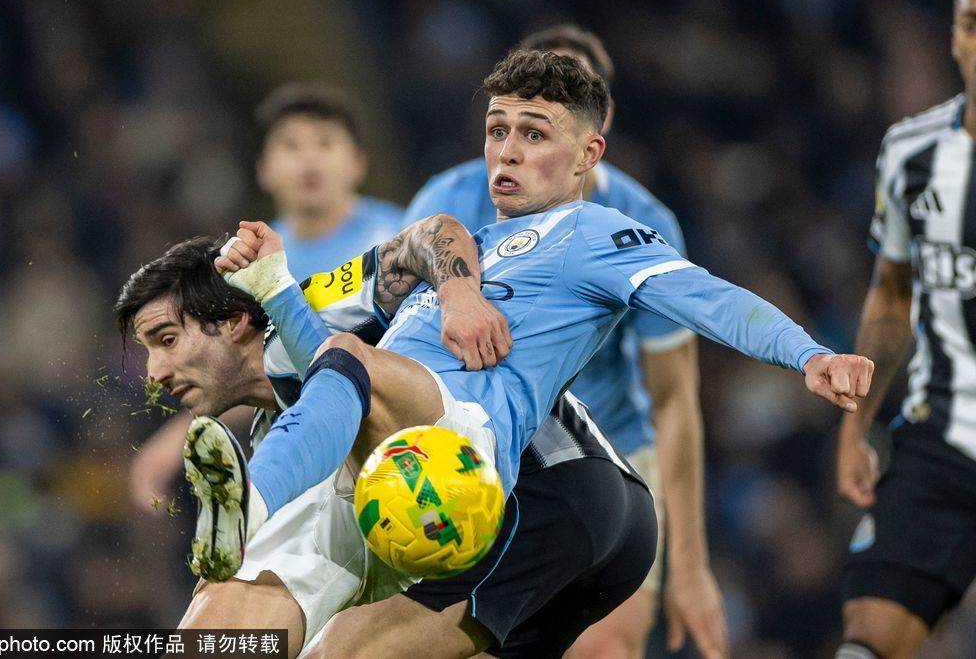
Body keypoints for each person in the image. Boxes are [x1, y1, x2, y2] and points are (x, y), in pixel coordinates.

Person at [194, 49, 872, 653]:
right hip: (368, 463)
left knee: (350, 359)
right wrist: (276, 286)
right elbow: (322, 372)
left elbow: (706, 297)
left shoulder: (592, 234)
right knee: (243, 632)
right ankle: (251, 513)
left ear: (588, 155)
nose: (508, 151)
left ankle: (249, 499)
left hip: (459, 447)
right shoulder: (465, 248)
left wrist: (809, 354)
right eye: (498, 131)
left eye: (534, 134)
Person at [117, 222, 655, 657]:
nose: (154, 372)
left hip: (545, 491)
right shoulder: (281, 432)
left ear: (234, 322)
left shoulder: (315, 308)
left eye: (167, 340)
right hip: (577, 518)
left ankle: (252, 504)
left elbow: (438, 231)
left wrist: (459, 295)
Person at [404, 24, 724, 659]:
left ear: (598, 125)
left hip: (612, 458)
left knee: (603, 650)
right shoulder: (446, 202)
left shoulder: (643, 226)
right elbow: (401, 337)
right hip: (480, 447)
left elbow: (673, 400)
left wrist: (690, 565)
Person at [129, 82, 402, 512]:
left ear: (357, 163)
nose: (309, 160)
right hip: (316, 455)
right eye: (291, 146)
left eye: (325, 143)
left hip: (396, 429)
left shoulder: (396, 239)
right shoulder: (249, 261)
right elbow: (253, 367)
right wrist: (177, 436)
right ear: (264, 168)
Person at [836, 0, 976, 657]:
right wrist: (855, 424)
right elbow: (892, 299)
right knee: (866, 638)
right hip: (942, 439)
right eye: (971, 23)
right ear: (955, 38)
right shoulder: (910, 152)